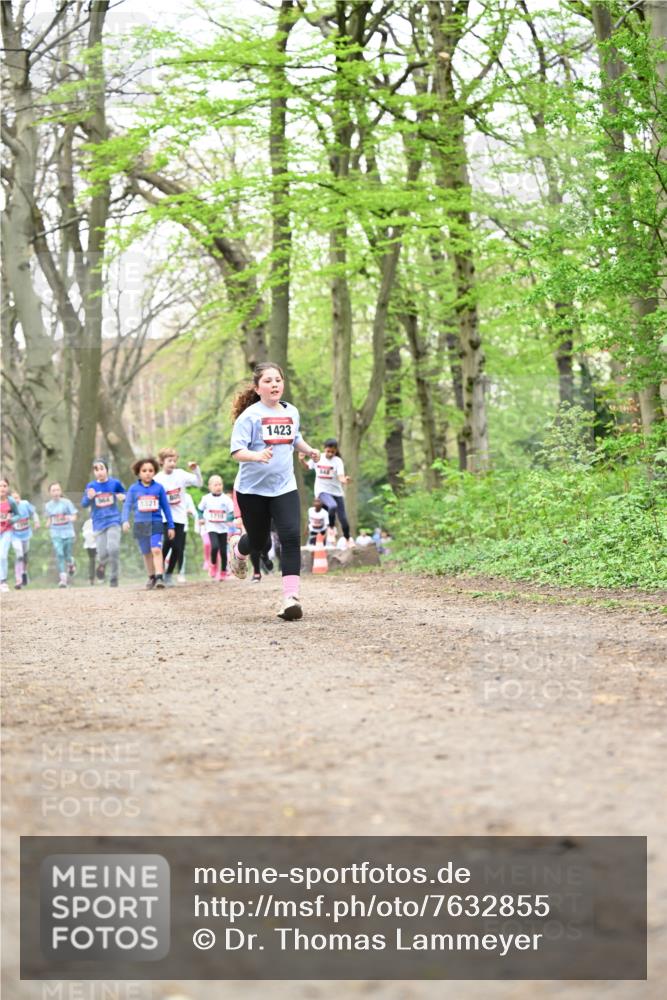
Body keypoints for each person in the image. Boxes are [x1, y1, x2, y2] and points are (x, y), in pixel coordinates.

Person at [229, 362, 320, 620]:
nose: (274, 385)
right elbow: (236, 451)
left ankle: (291, 598)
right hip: (252, 490)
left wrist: (309, 450)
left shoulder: (292, 411)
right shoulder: (249, 416)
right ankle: (238, 550)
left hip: (284, 486)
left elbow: (294, 438)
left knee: (290, 537)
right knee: (259, 542)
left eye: (278, 380)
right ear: (258, 388)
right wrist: (256, 456)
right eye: (268, 381)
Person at [122, 457, 175, 589]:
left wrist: (171, 525)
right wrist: (125, 520)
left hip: (156, 522)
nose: (147, 473)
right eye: (144, 470)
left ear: (154, 472)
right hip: (140, 524)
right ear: (138, 472)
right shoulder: (133, 489)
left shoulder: (159, 488)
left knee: (156, 549)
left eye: (150, 470)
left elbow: (166, 508)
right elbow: (127, 506)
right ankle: (151, 577)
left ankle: (159, 577)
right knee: (146, 552)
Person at [155, 448, 202, 585]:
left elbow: (199, 483)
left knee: (177, 548)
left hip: (180, 517)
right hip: (165, 517)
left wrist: (196, 470)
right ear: (162, 462)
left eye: (174, 461)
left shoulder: (180, 474)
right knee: (167, 543)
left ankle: (169, 574)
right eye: (169, 460)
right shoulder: (157, 479)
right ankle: (158, 573)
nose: (172, 463)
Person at [80, 458, 125, 587]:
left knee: (113, 548)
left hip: (113, 520)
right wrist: (89, 497)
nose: (99, 472)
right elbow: (84, 504)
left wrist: (124, 497)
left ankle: (114, 577)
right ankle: (101, 565)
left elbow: (125, 495)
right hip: (98, 523)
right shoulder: (91, 486)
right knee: (102, 554)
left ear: (107, 470)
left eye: (101, 468)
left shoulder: (115, 483)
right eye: (96, 469)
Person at [300, 437, 352, 547]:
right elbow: (307, 467)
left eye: (333, 452)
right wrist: (301, 460)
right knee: (332, 506)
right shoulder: (318, 458)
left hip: (337, 492)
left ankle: (348, 539)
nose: (330, 454)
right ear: (324, 449)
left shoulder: (338, 461)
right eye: (328, 451)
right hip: (322, 491)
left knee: (343, 519)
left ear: (336, 451)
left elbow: (341, 477)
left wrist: (345, 480)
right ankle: (331, 528)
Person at [198, 475, 234, 581]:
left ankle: (223, 572)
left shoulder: (226, 499)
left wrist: (227, 518)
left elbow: (232, 512)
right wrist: (201, 518)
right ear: (210, 486)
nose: (218, 487)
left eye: (220, 484)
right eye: (215, 485)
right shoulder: (206, 498)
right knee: (214, 547)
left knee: (223, 552)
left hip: (223, 528)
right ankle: (213, 565)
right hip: (211, 527)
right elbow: (199, 510)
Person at [44, 482, 77, 587]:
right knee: (60, 554)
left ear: (61, 491)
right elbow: (49, 518)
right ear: (50, 493)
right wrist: (48, 523)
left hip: (68, 532)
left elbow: (74, 516)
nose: (56, 492)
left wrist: (69, 518)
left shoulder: (67, 503)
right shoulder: (48, 505)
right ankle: (63, 580)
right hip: (55, 532)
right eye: (53, 490)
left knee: (67, 555)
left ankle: (71, 563)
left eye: (57, 490)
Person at [10, 489, 40, 589]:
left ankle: (24, 572)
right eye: (13, 499)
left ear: (20, 497)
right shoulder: (8, 508)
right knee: (19, 554)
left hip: (26, 534)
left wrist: (36, 522)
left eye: (17, 498)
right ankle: (18, 579)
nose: (15, 500)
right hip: (15, 536)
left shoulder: (25, 504)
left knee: (25, 556)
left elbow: (34, 513)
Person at [0, 478, 20, 592]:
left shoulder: (11, 501)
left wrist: (11, 519)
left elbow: (18, 515)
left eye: (4, 486)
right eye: (0, 486)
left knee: (2, 555)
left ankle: (3, 581)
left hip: (7, 531)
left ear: (8, 488)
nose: (2, 488)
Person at [82, 517, 97, 585]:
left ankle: (99, 575)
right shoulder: (87, 522)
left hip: (98, 543)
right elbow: (85, 533)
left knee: (100, 559)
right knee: (92, 560)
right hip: (90, 544)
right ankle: (91, 578)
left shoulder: (101, 520)